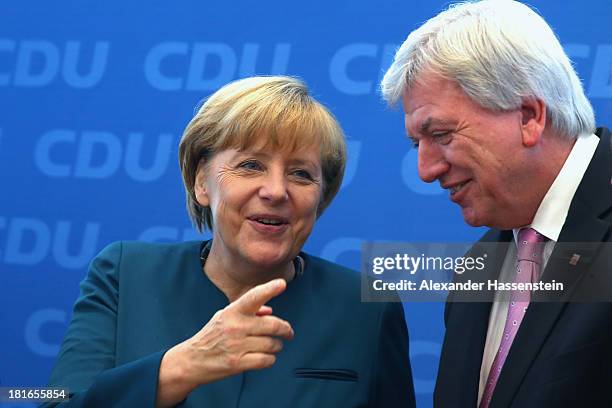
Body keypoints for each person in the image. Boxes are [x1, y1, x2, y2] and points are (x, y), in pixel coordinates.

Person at [46, 76, 416, 407]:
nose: (275, 191)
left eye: (301, 174)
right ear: (201, 183)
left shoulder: (368, 306)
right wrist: (181, 367)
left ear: (322, 196)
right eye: (250, 165)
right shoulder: (125, 273)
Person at [381, 1, 612, 407]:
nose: (425, 170)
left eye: (441, 134)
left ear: (528, 116)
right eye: (417, 143)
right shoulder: (478, 267)